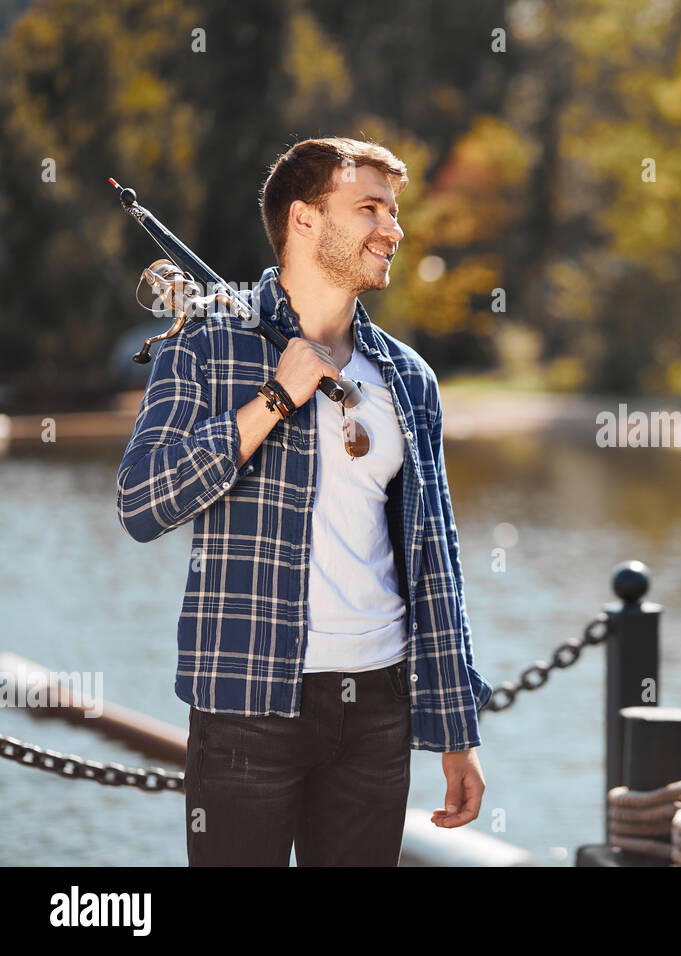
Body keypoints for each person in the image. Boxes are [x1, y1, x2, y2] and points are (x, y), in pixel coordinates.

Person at [115, 137, 491, 866]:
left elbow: (435, 563)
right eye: (370, 208)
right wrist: (275, 398)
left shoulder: (409, 380)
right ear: (306, 220)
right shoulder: (206, 345)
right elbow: (141, 502)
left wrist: (458, 730)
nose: (395, 229)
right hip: (245, 702)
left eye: (394, 210)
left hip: (378, 710)